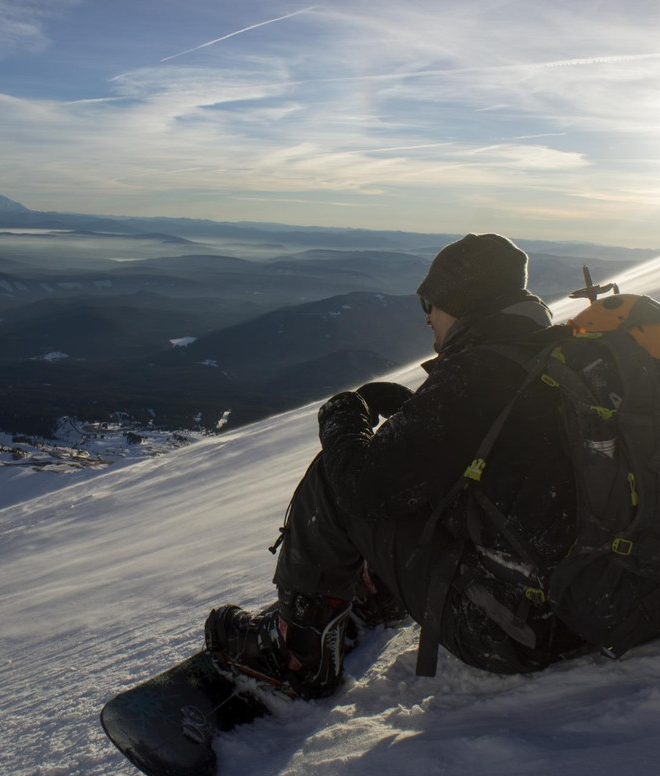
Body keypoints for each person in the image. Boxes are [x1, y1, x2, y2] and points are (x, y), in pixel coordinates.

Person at [205, 233, 592, 699]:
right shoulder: (545, 356)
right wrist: (413, 410)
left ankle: (295, 655)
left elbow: (361, 487)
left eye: (432, 302)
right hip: (583, 606)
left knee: (336, 478)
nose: (427, 315)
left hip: (509, 630)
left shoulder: (480, 374)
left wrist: (343, 417)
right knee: (398, 479)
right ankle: (379, 591)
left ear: (465, 303)